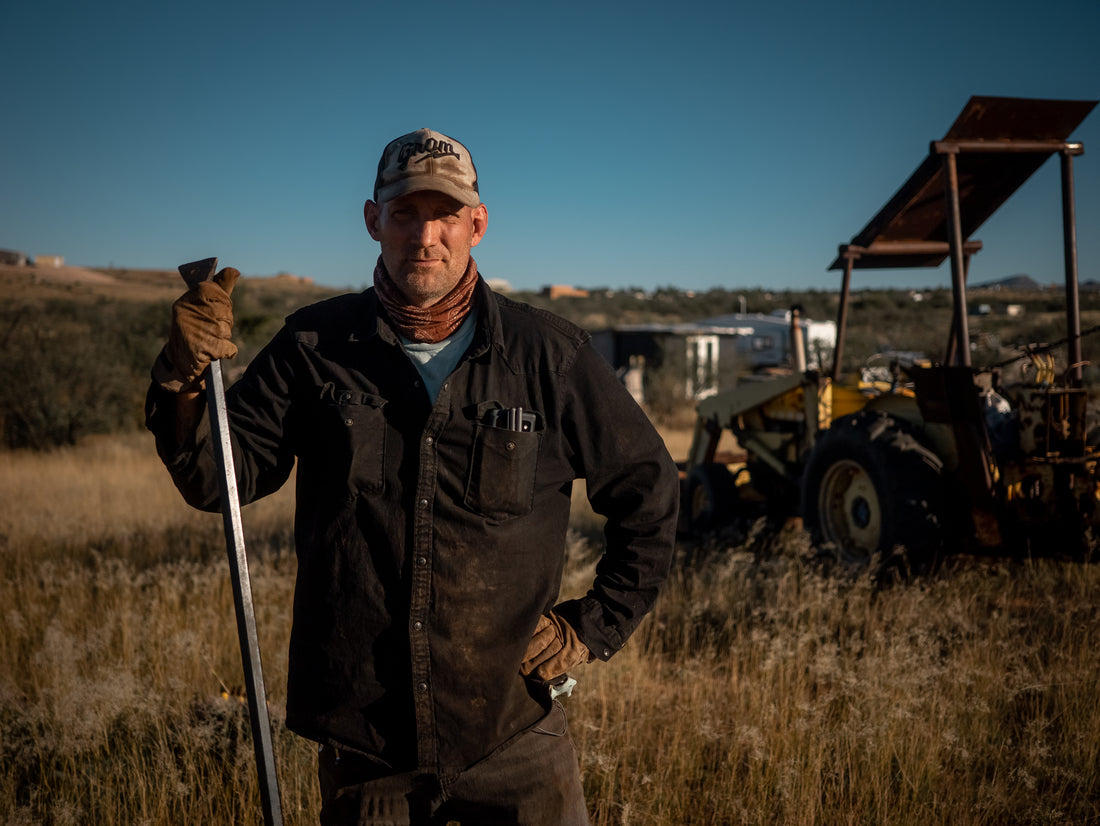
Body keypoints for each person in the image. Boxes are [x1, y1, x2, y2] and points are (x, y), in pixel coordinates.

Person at [146, 128, 679, 825]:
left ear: (477, 225)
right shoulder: (313, 347)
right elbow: (219, 481)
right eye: (404, 213)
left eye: (446, 215)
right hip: (366, 744)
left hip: (514, 735)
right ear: (373, 220)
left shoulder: (549, 355)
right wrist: (183, 379)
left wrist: (591, 625)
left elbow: (651, 493)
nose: (425, 236)